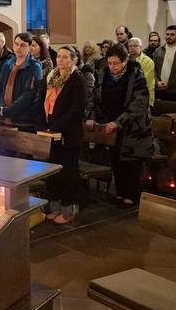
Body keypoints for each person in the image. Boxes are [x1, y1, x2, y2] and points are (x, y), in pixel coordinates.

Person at [87, 43, 153, 208]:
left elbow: (139, 103)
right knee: (116, 160)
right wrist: (92, 117)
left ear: (125, 61)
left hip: (133, 128)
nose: (112, 67)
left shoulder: (135, 75)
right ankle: (120, 193)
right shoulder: (103, 74)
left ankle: (130, 196)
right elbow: (94, 98)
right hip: (110, 124)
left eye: (116, 63)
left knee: (131, 163)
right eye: (109, 63)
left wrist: (118, 122)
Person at [40, 46, 87, 224]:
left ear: (74, 59)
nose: (60, 60)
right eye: (59, 56)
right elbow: (46, 101)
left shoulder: (77, 79)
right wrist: (46, 123)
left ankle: (69, 210)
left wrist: (56, 125)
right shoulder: (53, 76)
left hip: (69, 133)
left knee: (68, 172)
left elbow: (77, 110)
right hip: (52, 130)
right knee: (54, 171)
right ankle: (55, 207)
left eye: (65, 57)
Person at [0, 32, 43, 129]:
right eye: (16, 44)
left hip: (23, 120)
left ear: (29, 48)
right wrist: (1, 107)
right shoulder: (7, 64)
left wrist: (9, 110)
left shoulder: (34, 67)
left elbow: (29, 95)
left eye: (23, 45)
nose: (18, 48)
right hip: (4, 118)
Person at [128, 37, 155, 107]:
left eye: (135, 46)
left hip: (143, 96)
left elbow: (145, 81)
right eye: (130, 46)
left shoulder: (149, 62)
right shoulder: (125, 60)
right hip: (127, 96)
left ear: (140, 47)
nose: (132, 48)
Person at [153, 25, 176, 101]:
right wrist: (157, 82)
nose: (169, 36)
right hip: (159, 89)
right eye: (167, 34)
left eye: (172, 34)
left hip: (174, 90)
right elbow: (153, 69)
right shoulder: (158, 50)